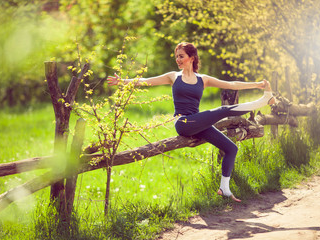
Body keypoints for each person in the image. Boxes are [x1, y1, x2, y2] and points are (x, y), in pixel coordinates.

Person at [107, 42, 274, 202]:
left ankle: (224, 189)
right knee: (223, 111)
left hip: (198, 123)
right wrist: (122, 82)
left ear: (192, 57)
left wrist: (257, 84)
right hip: (183, 122)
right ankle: (265, 101)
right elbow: (145, 81)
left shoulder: (203, 79)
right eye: (176, 57)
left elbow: (231, 84)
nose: (178, 60)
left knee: (231, 148)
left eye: (181, 56)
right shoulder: (173, 76)